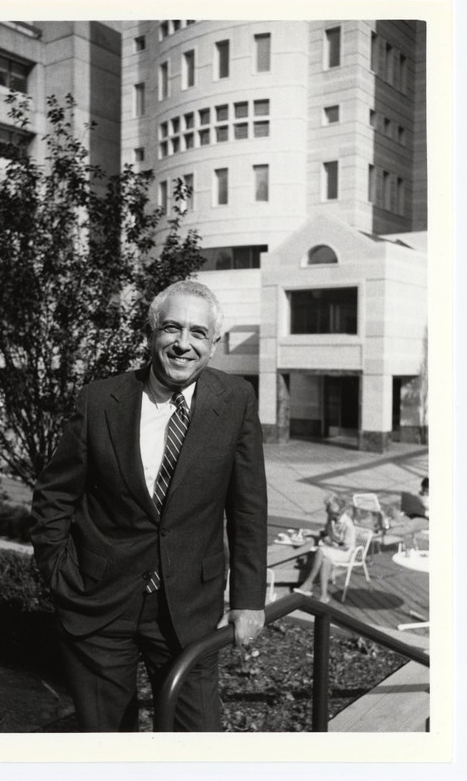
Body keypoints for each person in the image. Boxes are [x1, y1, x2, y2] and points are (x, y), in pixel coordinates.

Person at [29, 280, 267, 732]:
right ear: (150, 334)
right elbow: (54, 496)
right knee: (108, 745)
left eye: (198, 333)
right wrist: (60, 575)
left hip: (188, 608)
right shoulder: (99, 401)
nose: (183, 343)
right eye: (172, 328)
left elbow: (248, 506)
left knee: (196, 743)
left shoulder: (236, 400)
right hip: (98, 603)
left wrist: (248, 599)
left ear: (213, 345)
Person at [295, 493, 356, 603]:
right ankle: (323, 596)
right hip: (333, 550)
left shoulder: (347, 524)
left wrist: (330, 547)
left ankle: (308, 583)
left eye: (328, 507)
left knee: (321, 551)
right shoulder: (331, 519)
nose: (326, 510)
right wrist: (311, 532)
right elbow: (325, 532)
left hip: (345, 553)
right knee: (325, 560)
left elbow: (347, 547)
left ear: (337, 508)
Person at [384, 477, 429, 547]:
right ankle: (386, 525)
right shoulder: (416, 494)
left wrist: (423, 502)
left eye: (426, 490)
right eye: (423, 489)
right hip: (410, 515)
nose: (424, 492)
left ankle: (386, 531)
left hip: (425, 519)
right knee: (392, 509)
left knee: (409, 525)